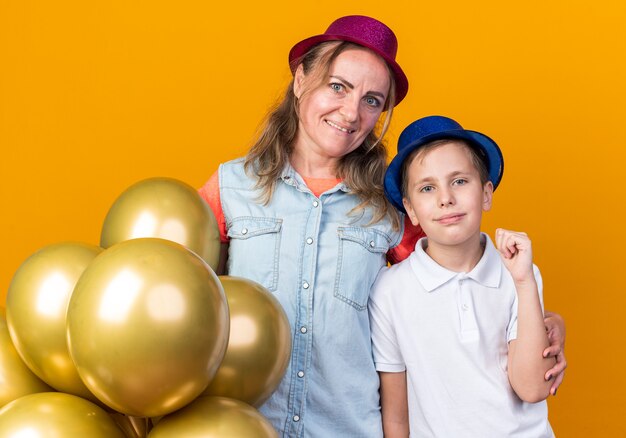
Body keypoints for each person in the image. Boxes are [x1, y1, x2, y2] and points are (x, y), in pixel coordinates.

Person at [198, 16, 566, 437]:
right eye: (338, 86)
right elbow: (188, 298)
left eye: (372, 100)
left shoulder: (391, 208)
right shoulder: (231, 186)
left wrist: (542, 319)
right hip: (245, 425)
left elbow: (455, 284)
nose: (351, 112)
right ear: (300, 79)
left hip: (347, 428)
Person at [370, 115, 556, 437]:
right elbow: (397, 416)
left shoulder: (520, 275)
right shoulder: (389, 291)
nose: (446, 198)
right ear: (411, 209)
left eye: (459, 181)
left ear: (486, 194)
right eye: (427, 188)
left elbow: (532, 388)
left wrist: (524, 283)